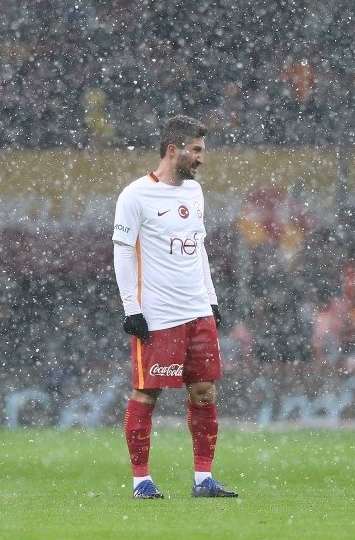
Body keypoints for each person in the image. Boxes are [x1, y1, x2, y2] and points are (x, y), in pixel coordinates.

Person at [112, 114, 238, 499]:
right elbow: (122, 252)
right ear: (173, 150)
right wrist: (131, 309)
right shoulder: (135, 196)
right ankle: (141, 481)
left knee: (204, 392)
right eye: (196, 150)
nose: (201, 158)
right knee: (147, 393)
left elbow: (198, 248)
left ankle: (203, 480)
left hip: (197, 311)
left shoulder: (194, 193)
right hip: (159, 316)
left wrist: (211, 299)